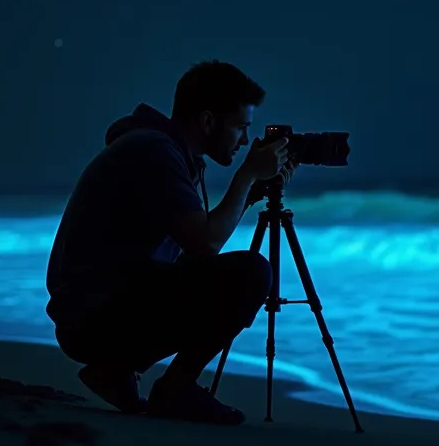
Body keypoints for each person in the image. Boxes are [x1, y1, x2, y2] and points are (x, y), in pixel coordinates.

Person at [45, 60, 292, 425]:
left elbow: (195, 245)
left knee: (221, 273)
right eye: (240, 127)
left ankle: (114, 369)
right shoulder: (154, 152)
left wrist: (249, 191)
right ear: (208, 121)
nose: (244, 140)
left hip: (93, 309)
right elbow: (206, 243)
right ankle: (173, 388)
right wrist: (245, 176)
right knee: (252, 272)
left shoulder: (161, 149)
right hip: (92, 317)